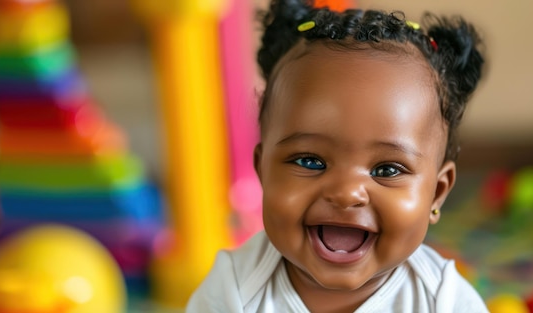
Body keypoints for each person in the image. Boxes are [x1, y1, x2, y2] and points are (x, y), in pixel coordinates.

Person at [187, 0, 487, 311]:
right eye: (310, 161)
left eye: (386, 170)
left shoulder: (444, 300)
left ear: (436, 193)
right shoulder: (234, 288)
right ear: (263, 171)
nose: (346, 193)